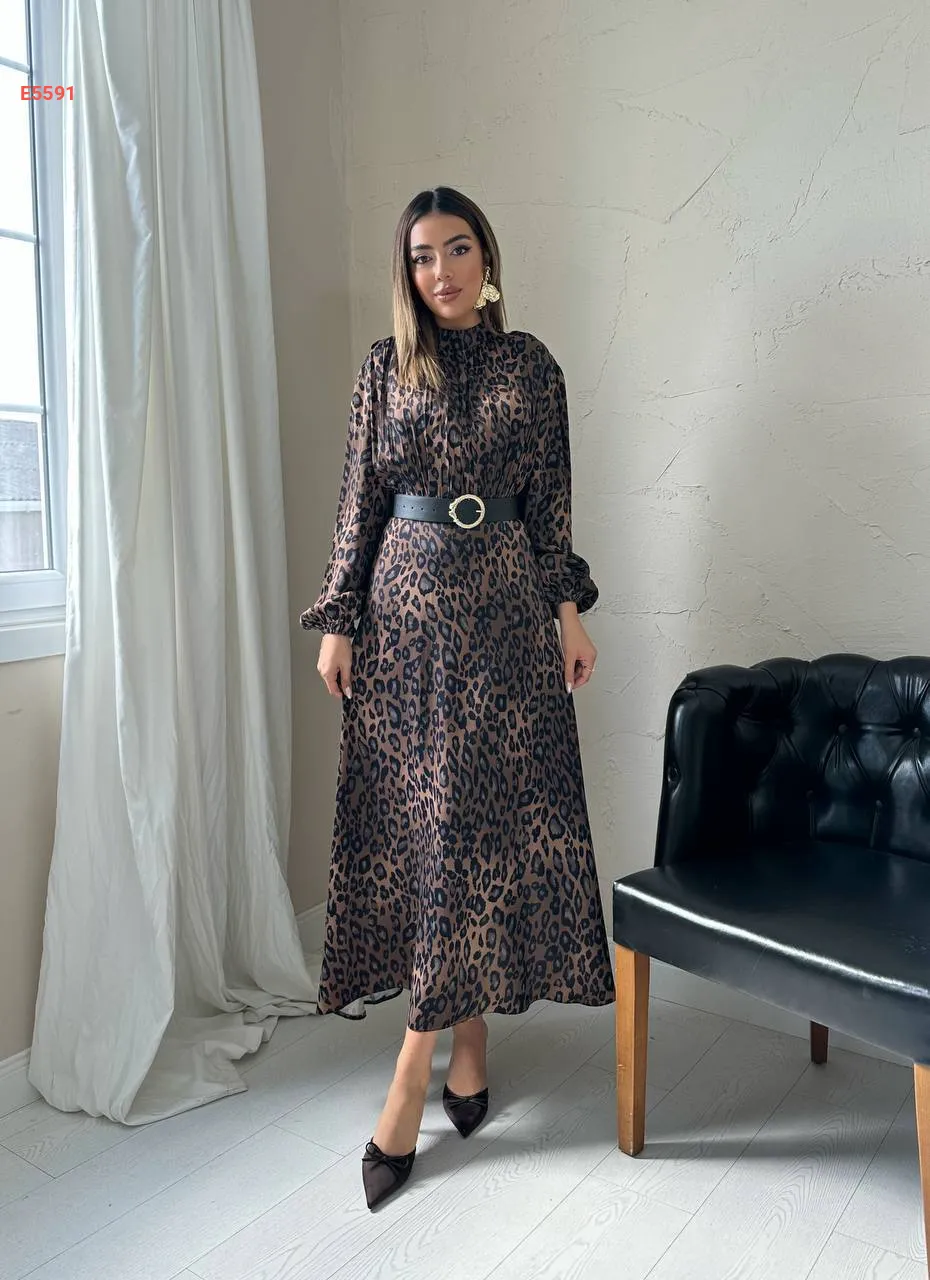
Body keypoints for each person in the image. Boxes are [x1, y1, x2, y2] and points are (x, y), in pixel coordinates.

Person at [299, 186, 616, 1210]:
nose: (441, 270)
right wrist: (340, 617)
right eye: (422, 255)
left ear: (488, 257)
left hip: (507, 613)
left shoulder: (532, 367)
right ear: (408, 271)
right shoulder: (384, 369)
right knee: (434, 830)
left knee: (481, 823)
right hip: (404, 616)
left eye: (458, 248)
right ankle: (460, 1036)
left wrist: (568, 613)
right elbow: (359, 500)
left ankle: (417, 1069)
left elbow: (552, 504)